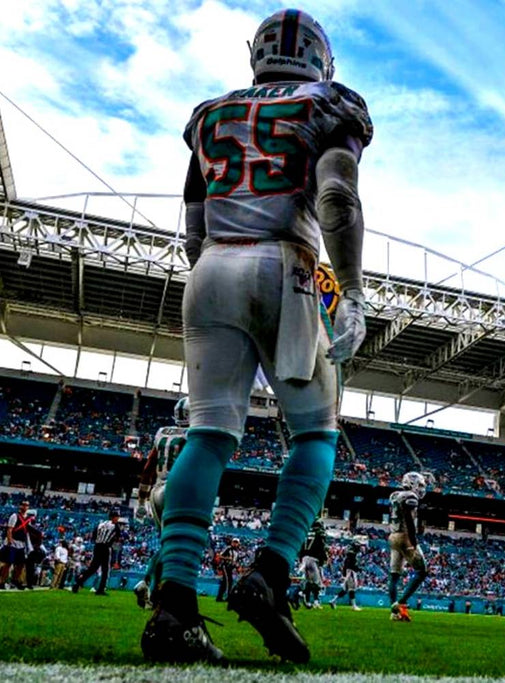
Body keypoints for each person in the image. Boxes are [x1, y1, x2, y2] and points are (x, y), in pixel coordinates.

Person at [139, 8, 372, 665]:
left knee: (210, 433)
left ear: (257, 53)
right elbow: (337, 198)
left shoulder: (210, 112)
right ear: (322, 59)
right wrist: (351, 292)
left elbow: (191, 225)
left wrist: (221, 283)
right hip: (285, 261)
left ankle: (175, 604)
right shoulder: (329, 102)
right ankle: (269, 572)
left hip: (212, 265)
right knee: (316, 431)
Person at [134, 397, 189, 608]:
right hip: (176, 490)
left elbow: (148, 466)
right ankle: (147, 582)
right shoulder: (193, 434)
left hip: (156, 490)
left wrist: (140, 499)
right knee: (173, 544)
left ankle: (154, 594)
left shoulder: (162, 432)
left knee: (166, 543)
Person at [388, 472, 430, 622]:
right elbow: (409, 520)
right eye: (419, 485)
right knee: (422, 571)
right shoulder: (410, 497)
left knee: (394, 575)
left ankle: (395, 613)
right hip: (405, 536)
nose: (421, 488)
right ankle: (400, 603)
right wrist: (413, 541)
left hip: (393, 536)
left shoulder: (394, 495)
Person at [72, 510, 121, 596]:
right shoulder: (115, 526)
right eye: (117, 517)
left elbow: (94, 536)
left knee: (92, 568)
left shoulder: (100, 524)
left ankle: (78, 582)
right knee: (105, 569)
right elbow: (117, 538)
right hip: (106, 547)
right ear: (113, 517)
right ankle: (101, 589)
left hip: (97, 546)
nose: (118, 519)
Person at [1, 500, 32, 589]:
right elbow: (10, 529)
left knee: (20, 564)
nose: (25, 507)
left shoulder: (28, 519)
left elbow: (27, 532)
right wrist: (10, 541)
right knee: (8, 563)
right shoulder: (15, 516)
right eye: (24, 505)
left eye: (27, 505)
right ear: (20, 506)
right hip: (13, 542)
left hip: (21, 544)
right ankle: (2, 581)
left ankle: (15, 580)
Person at [299, 519, 328, 608]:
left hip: (305, 558)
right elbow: (321, 547)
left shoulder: (306, 533)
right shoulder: (319, 533)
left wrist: (301, 559)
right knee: (316, 582)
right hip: (313, 559)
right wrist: (324, 559)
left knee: (309, 581)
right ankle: (302, 593)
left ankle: (308, 600)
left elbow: (301, 547)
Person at [330, 540, 362, 610]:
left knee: (345, 589)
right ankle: (354, 606)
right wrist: (357, 569)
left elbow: (346, 565)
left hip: (348, 572)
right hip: (351, 572)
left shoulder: (350, 554)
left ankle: (333, 600)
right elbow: (351, 565)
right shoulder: (352, 555)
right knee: (352, 589)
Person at [215, 537, 241, 603]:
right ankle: (228, 597)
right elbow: (219, 556)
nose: (235, 544)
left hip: (230, 568)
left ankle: (219, 597)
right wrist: (227, 558)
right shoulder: (228, 548)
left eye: (236, 542)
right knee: (228, 581)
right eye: (234, 542)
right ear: (232, 542)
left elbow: (235, 561)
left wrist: (237, 567)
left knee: (225, 582)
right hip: (225, 566)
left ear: (238, 544)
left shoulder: (237, 552)